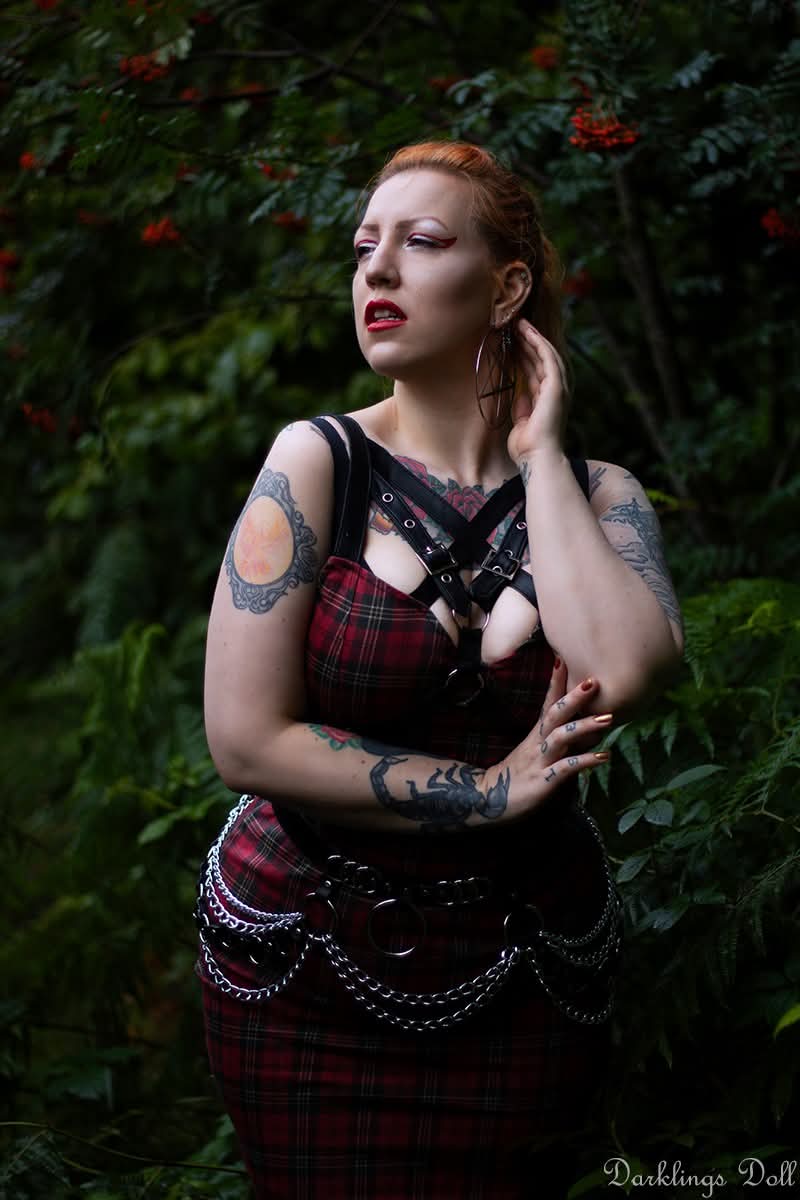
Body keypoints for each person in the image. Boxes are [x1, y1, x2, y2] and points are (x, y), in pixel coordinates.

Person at [196, 141, 684, 1199]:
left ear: (506, 289)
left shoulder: (600, 495)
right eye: (363, 246)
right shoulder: (316, 462)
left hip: (528, 967)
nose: (376, 269)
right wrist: (487, 791)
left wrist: (541, 455)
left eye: (420, 242)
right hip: (305, 962)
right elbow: (243, 738)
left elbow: (625, 670)